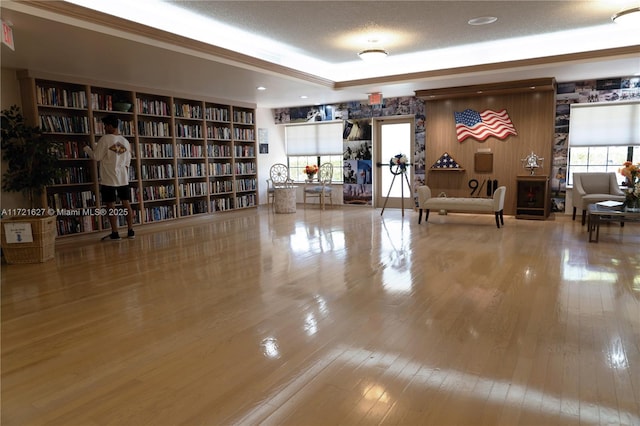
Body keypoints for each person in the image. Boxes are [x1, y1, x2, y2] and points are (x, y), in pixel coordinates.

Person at [83, 115, 134, 240]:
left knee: (110, 205)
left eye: (105, 125)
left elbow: (96, 156)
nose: (105, 128)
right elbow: (128, 161)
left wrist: (86, 148)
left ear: (111, 126)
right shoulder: (125, 141)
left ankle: (115, 233)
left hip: (108, 178)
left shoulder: (105, 139)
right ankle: (131, 231)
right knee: (126, 204)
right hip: (123, 178)